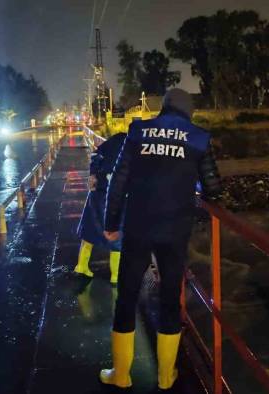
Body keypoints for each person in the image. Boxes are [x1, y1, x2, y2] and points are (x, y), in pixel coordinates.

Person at [99, 88, 221, 389]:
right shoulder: (198, 138)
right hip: (174, 231)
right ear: (188, 112)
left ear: (163, 108)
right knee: (170, 299)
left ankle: (121, 374)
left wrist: (110, 223)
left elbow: (120, 181)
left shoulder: (138, 132)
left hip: (139, 227)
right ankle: (167, 377)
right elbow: (214, 188)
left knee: (126, 296)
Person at [73, 132, 127, 284]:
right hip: (116, 198)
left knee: (90, 230)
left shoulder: (111, 143)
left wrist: (92, 175)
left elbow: (95, 156)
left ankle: (81, 266)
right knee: (117, 235)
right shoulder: (133, 147)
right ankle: (116, 275)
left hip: (98, 193)